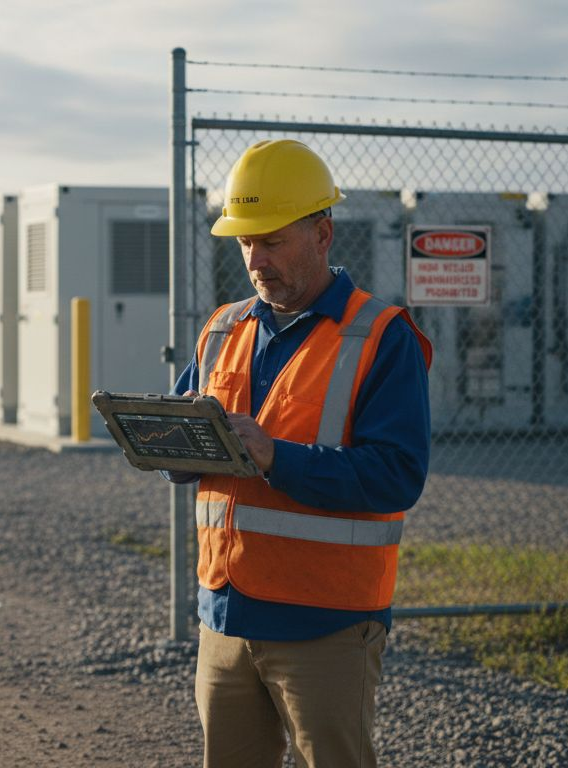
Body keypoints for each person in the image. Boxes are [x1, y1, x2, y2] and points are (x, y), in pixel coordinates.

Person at [167, 139, 432, 768]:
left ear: (322, 234)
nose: (255, 260)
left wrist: (276, 457)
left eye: (272, 241)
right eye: (245, 242)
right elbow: (186, 442)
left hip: (326, 623)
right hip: (225, 615)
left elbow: (396, 476)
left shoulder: (381, 336)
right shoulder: (223, 328)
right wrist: (163, 441)